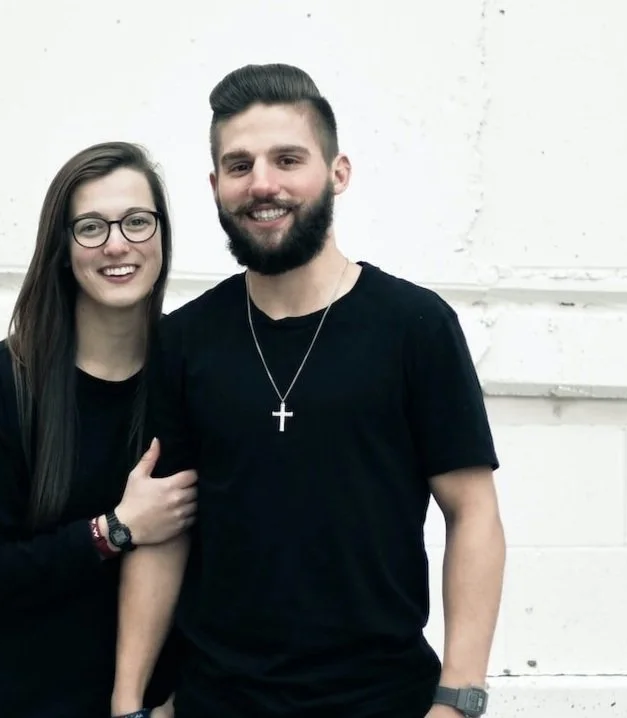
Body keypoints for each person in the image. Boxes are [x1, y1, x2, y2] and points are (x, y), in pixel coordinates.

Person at [110, 65, 506, 718]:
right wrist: (128, 703)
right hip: (218, 702)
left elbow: (474, 513)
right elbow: (166, 530)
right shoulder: (184, 340)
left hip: (383, 700)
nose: (262, 183)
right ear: (215, 186)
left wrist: (458, 700)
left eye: (287, 159)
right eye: (239, 165)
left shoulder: (415, 327)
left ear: (338, 172)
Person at [0, 141, 197, 718]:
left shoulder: (192, 377)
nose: (117, 244)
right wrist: (113, 530)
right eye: (91, 227)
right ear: (62, 248)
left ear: (161, 235)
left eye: (137, 221)